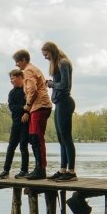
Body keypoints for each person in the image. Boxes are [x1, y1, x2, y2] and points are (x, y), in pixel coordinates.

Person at [12, 48, 51, 179]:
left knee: (36, 138)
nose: (17, 65)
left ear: (23, 60)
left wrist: (27, 107)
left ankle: (40, 169)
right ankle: (39, 168)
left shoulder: (28, 70)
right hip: (41, 106)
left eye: (17, 62)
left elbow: (32, 89)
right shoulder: (33, 69)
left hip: (39, 106)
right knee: (35, 138)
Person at [41, 40, 76, 181]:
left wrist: (51, 84)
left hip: (65, 103)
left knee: (66, 138)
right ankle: (63, 170)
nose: (45, 57)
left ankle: (72, 172)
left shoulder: (63, 63)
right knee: (61, 139)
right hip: (59, 103)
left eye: (46, 54)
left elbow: (65, 85)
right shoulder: (58, 64)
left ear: (52, 51)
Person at [0, 68, 29, 178]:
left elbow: (31, 104)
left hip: (26, 123)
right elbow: (12, 107)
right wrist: (23, 108)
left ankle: (24, 171)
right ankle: (6, 170)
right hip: (16, 122)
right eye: (10, 79)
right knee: (11, 146)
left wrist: (27, 112)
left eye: (13, 78)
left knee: (23, 147)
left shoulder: (27, 90)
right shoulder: (12, 93)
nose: (11, 81)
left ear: (20, 77)